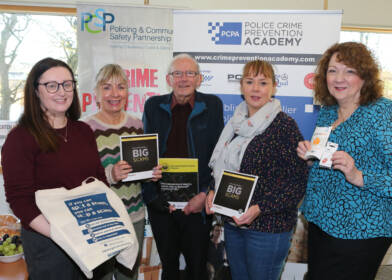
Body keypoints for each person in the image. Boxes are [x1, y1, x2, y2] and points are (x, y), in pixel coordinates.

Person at [1, 57, 108, 279]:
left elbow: (98, 182)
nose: (61, 91)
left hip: (89, 238)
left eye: (67, 84)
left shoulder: (83, 131)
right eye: (51, 85)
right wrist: (61, 235)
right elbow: (20, 200)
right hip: (49, 243)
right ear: (35, 91)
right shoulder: (20, 138)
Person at [296, 41, 392, 280]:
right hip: (320, 220)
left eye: (350, 70)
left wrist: (359, 176)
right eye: (332, 70)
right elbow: (326, 159)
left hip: (361, 229)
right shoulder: (329, 110)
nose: (339, 78)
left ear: (365, 77)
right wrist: (311, 158)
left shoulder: (382, 113)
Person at [206, 60, 308, 280]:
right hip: (233, 223)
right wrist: (213, 191)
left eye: (263, 82)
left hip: (268, 227)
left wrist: (260, 208)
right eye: (250, 81)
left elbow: (297, 181)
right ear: (242, 85)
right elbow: (223, 166)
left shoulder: (284, 126)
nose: (255, 88)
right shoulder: (234, 124)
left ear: (273, 87)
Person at [142, 53, 224, 280]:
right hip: (162, 204)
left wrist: (205, 194)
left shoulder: (213, 105)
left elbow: (219, 156)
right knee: (168, 268)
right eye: (177, 73)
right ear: (169, 79)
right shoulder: (153, 106)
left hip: (196, 204)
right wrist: (151, 197)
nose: (184, 79)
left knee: (197, 268)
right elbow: (146, 156)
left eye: (190, 73)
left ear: (199, 79)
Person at [84, 63, 162, 280]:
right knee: (102, 276)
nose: (114, 94)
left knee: (129, 275)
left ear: (127, 92)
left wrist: (151, 174)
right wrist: (110, 174)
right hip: (100, 218)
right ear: (97, 93)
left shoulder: (137, 125)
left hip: (133, 216)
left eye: (120, 87)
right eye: (107, 87)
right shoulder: (85, 128)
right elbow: (78, 178)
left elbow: (142, 167)